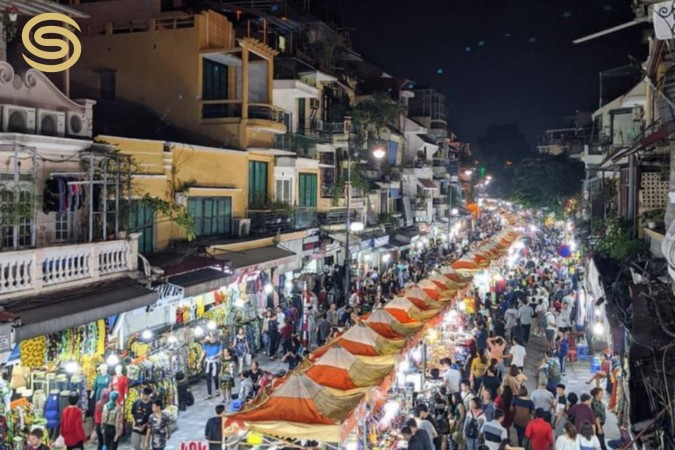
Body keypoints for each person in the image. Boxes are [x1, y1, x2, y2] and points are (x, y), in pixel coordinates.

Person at [200, 332, 223, 399]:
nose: (211, 338)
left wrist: (216, 355)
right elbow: (204, 352)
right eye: (210, 337)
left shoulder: (218, 343)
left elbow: (220, 352)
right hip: (208, 361)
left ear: (215, 337)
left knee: (215, 377)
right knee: (208, 378)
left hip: (215, 361)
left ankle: (217, 389)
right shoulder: (206, 343)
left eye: (213, 337)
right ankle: (209, 393)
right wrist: (200, 361)